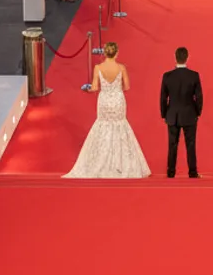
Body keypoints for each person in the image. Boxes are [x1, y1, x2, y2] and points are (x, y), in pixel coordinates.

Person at [64, 41, 151, 179]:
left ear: (104, 53)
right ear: (117, 53)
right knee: (120, 126)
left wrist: (87, 89)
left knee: (103, 125)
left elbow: (94, 87)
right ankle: (120, 164)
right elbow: (127, 87)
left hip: (104, 101)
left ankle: (100, 161)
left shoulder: (98, 68)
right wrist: (116, 89)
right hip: (118, 101)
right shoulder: (121, 68)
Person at [160, 45, 203, 179]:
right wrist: (197, 112)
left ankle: (170, 172)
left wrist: (164, 114)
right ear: (187, 58)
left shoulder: (167, 76)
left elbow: (163, 98)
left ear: (175, 57)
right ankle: (192, 172)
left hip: (172, 114)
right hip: (189, 113)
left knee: (172, 144)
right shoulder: (194, 76)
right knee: (191, 144)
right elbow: (199, 97)